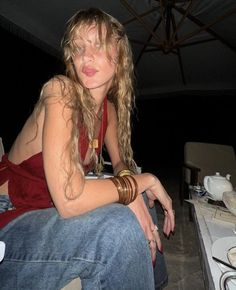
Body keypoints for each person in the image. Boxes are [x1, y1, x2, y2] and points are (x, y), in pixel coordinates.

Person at [0, 7, 175, 290]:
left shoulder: (108, 110)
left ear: (119, 59)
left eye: (99, 44)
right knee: (119, 228)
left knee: (141, 200)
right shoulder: (61, 92)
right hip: (10, 215)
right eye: (79, 48)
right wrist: (141, 181)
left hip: (44, 208)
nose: (86, 56)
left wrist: (131, 188)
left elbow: (120, 164)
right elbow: (70, 200)